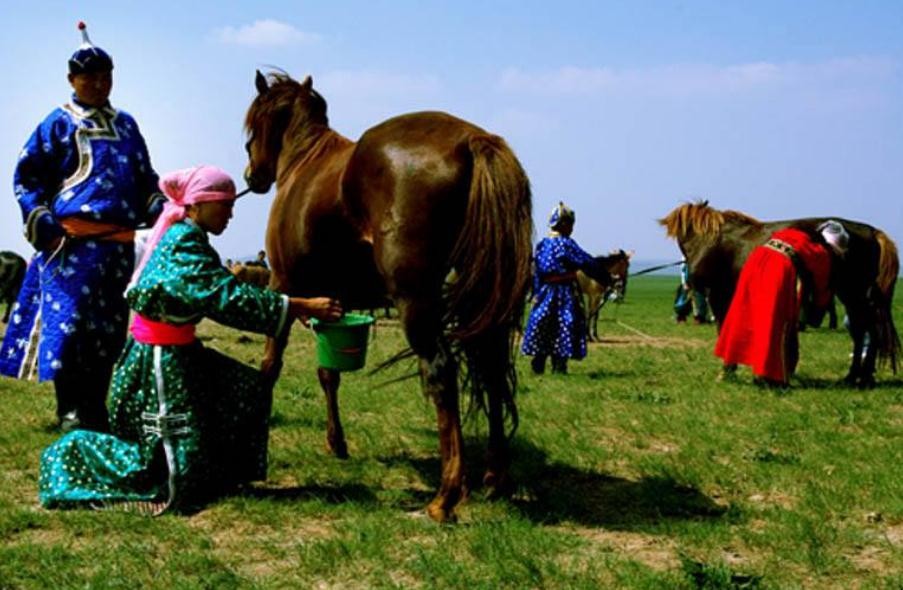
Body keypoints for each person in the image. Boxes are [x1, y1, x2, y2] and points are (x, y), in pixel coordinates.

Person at [38, 165, 342, 514]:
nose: (231, 212)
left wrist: (290, 308)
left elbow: (224, 290)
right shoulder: (184, 242)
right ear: (196, 206)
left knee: (245, 387)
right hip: (159, 360)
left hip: (177, 351)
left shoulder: (190, 238)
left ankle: (220, 472)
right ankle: (70, 458)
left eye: (231, 203)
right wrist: (297, 304)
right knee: (163, 472)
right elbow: (223, 295)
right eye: (223, 204)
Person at [0, 22, 166, 432]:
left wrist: (160, 205)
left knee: (108, 330)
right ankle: (70, 409)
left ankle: (96, 406)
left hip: (120, 247)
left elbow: (145, 177)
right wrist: (38, 216)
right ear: (72, 79)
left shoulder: (127, 125)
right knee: (71, 327)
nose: (98, 82)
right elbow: (27, 177)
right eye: (89, 75)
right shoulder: (56, 124)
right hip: (70, 246)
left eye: (106, 74)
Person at [714, 221, 846, 387]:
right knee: (773, 322)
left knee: (743, 315)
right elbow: (821, 285)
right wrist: (820, 305)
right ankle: (768, 376)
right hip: (778, 269)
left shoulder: (792, 235)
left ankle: (728, 367)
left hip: (756, 261)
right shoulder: (820, 252)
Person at [521, 202, 610, 374]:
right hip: (563, 293)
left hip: (544, 292)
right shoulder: (566, 244)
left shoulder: (542, 244)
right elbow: (585, 262)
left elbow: (537, 270)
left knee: (544, 325)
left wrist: (536, 292)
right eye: (570, 225)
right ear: (564, 225)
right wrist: (604, 276)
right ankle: (559, 365)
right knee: (565, 325)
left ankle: (539, 361)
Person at [674, 259, 710, 324]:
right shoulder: (686, 257)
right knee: (686, 299)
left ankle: (699, 318)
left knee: (699, 299)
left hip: (698, 279)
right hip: (690, 279)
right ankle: (681, 317)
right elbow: (683, 270)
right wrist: (684, 282)